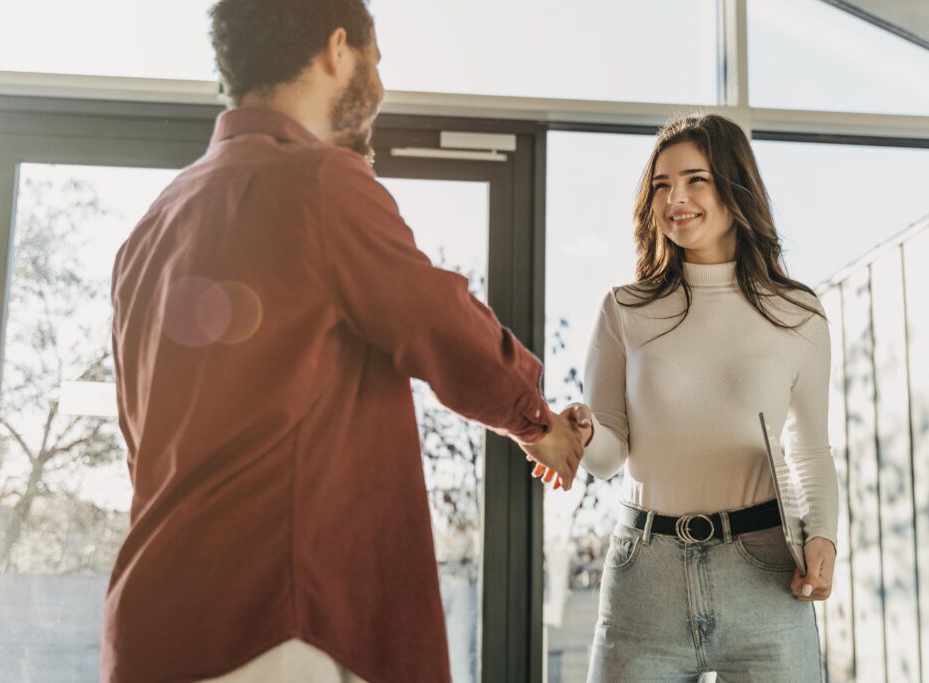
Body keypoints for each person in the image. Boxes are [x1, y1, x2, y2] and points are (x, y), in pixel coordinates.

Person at [102, 1, 583, 681]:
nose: (379, 83)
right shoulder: (320, 181)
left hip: (152, 623)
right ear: (337, 50)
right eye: (376, 59)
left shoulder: (151, 228)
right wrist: (536, 421)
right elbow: (438, 320)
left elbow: (141, 443)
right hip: (274, 621)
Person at [542, 113, 840, 682]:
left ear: (735, 187)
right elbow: (608, 456)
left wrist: (823, 535)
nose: (674, 196)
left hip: (765, 571)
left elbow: (810, 451)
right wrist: (579, 432)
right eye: (660, 185)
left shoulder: (797, 312)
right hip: (643, 577)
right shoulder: (624, 309)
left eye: (695, 179)